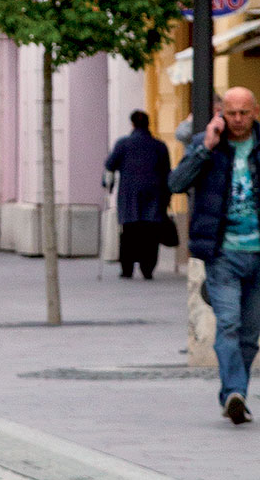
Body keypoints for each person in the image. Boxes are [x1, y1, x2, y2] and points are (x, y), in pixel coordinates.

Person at [173, 85, 260, 423]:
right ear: (221, 113)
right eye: (231, 113)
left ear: (254, 112)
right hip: (222, 252)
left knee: (250, 335)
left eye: (244, 113)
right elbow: (176, 183)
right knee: (229, 324)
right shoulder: (204, 144)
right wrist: (205, 149)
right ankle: (236, 392)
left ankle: (232, 394)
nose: (237, 120)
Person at [104, 108, 173, 282]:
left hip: (129, 197)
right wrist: (167, 198)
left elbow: (110, 165)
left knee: (129, 233)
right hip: (154, 196)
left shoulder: (123, 144)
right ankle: (147, 268)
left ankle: (127, 269)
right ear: (148, 124)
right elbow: (167, 173)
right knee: (150, 234)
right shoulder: (159, 146)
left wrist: (107, 184)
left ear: (132, 124)